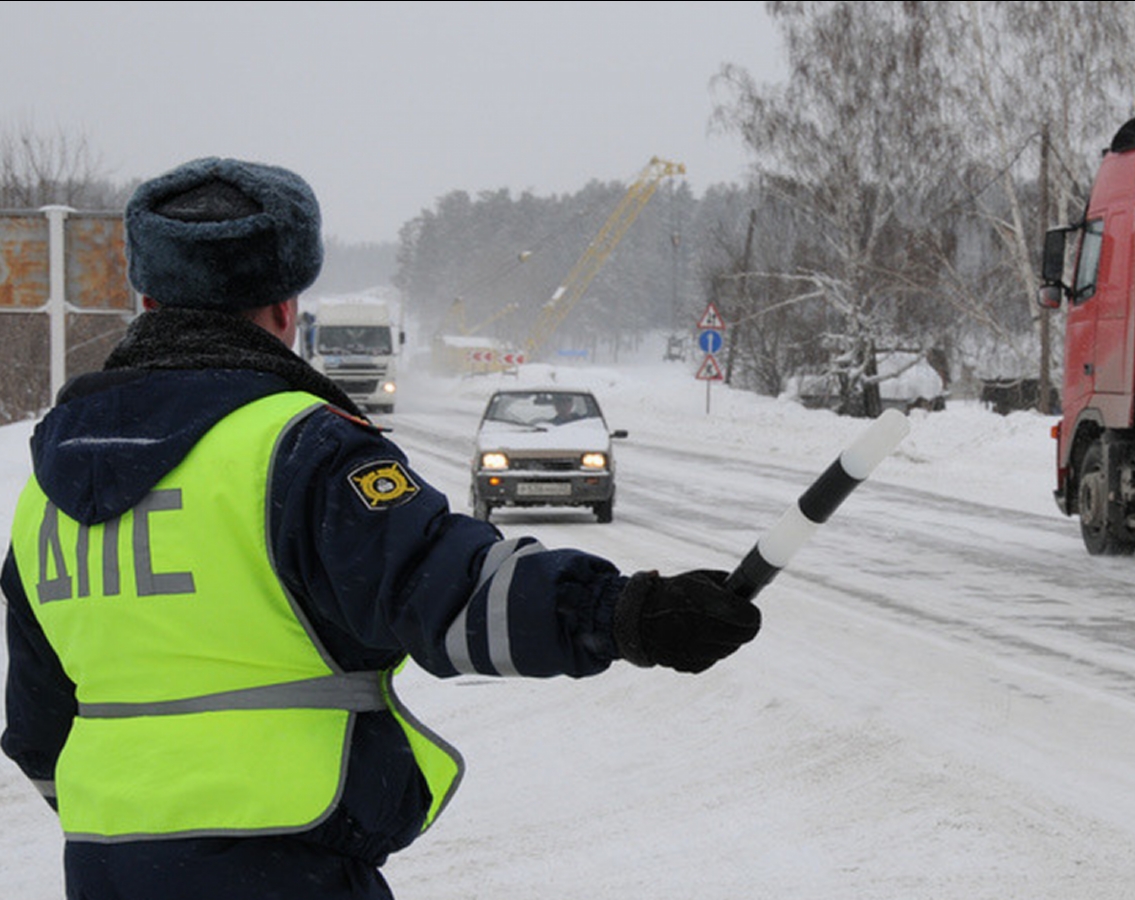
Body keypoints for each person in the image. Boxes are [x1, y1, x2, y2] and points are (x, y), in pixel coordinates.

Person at [0, 157, 762, 900]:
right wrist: (626, 613)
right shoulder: (297, 448)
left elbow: (36, 728)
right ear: (284, 310)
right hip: (285, 863)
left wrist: (131, 821)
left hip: (105, 868)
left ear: (148, 304)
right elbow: (451, 593)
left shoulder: (45, 493)